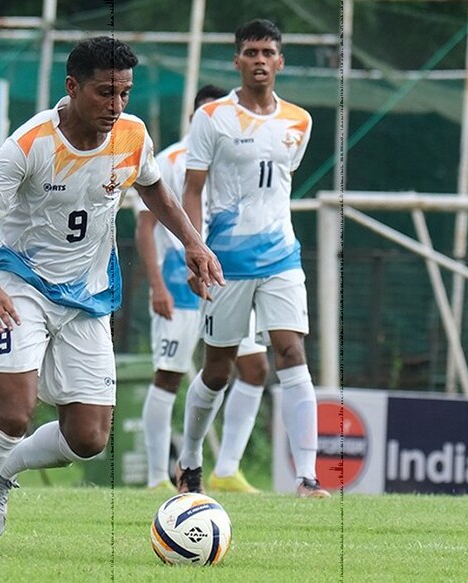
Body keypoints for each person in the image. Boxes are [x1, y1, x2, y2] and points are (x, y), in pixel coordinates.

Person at [0, 36, 224, 552]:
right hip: (21, 285)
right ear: (72, 87)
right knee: (13, 411)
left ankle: (2, 475)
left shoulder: (133, 135)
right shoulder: (29, 145)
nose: (116, 107)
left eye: (124, 93)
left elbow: (154, 186)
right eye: (104, 93)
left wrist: (192, 243)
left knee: (90, 438)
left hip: (89, 296)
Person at [175, 19, 329, 498]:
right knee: (217, 370)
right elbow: (193, 189)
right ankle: (190, 462)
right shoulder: (212, 117)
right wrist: (195, 251)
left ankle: (308, 477)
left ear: (280, 61)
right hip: (226, 262)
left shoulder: (298, 122)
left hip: (282, 256)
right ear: (237, 61)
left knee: (292, 353)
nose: (260, 60)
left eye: (268, 52)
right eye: (251, 52)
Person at [133, 85, 269, 494]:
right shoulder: (170, 161)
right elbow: (145, 226)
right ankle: (158, 476)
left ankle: (227, 469)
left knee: (255, 369)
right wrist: (157, 285)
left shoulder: (238, 160)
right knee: (169, 376)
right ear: (195, 118)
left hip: (230, 283)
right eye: (205, 114)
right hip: (179, 285)